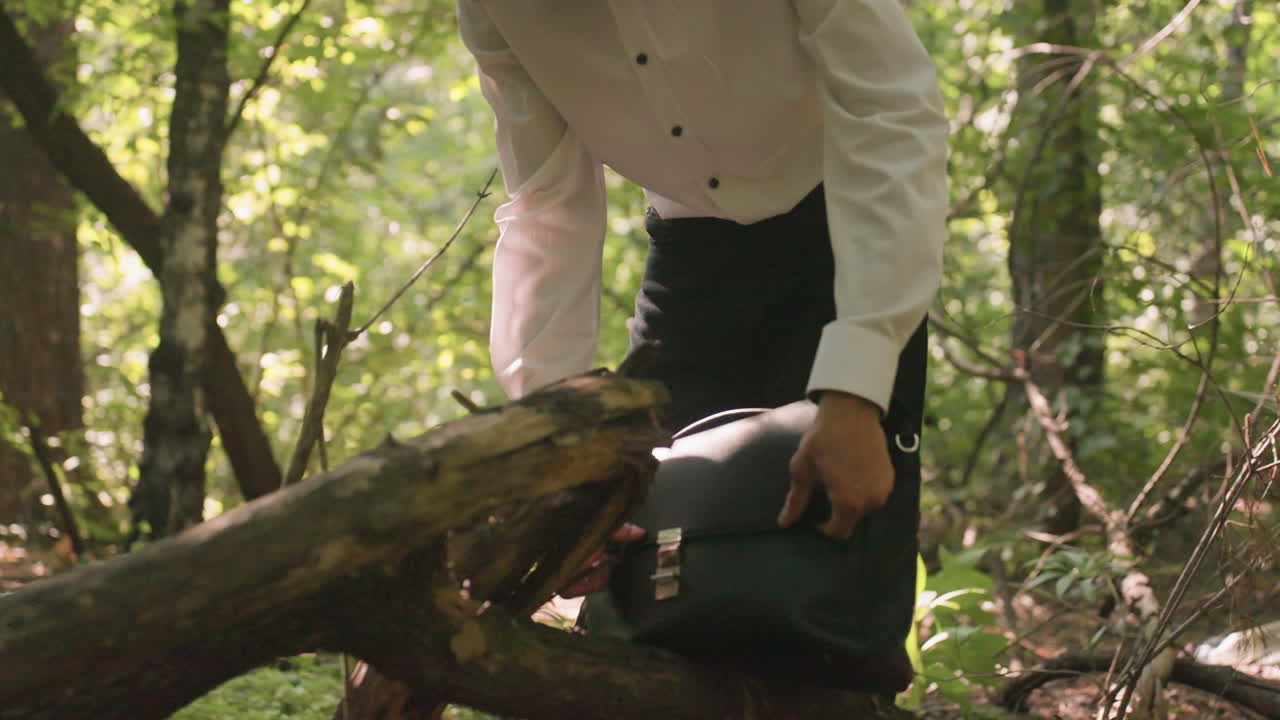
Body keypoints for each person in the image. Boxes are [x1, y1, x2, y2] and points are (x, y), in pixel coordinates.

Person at [458, 0, 948, 694]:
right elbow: (546, 209)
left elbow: (896, 115)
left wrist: (857, 385)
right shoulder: (494, 10)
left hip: (851, 240)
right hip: (689, 268)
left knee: (839, 614)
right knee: (648, 599)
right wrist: (559, 460)